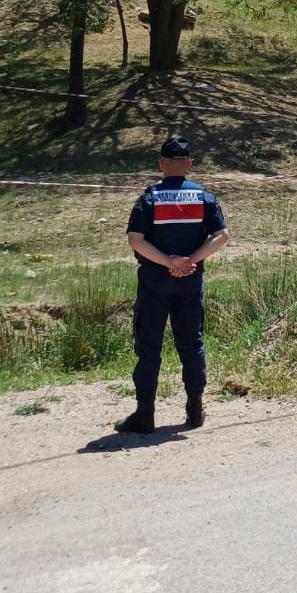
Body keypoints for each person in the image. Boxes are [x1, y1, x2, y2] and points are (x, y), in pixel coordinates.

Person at [116, 136, 230, 435]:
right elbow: (222, 236)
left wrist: (168, 262)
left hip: (155, 281)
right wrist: (190, 261)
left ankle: (145, 414)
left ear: (162, 164)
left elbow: (135, 240)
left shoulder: (149, 199)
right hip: (190, 281)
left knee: (149, 347)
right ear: (189, 164)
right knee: (192, 343)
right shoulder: (204, 197)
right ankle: (195, 409)